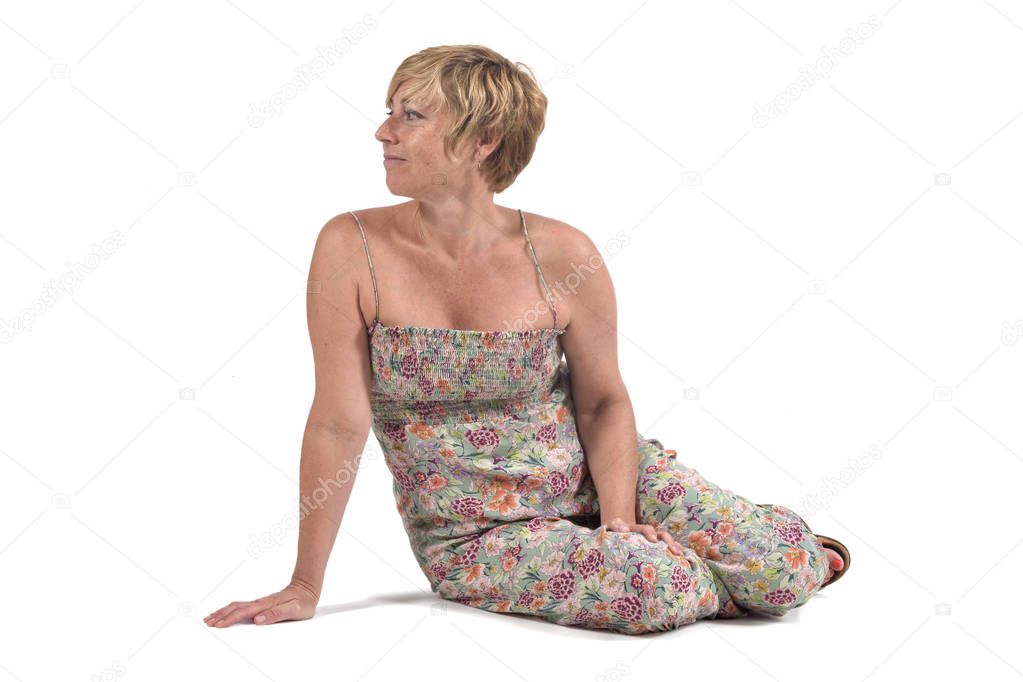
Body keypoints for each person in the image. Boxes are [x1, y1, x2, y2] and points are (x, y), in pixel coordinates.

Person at [204, 44, 849, 635]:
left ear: (482, 140)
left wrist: (620, 519)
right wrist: (304, 583)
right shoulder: (351, 245)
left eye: (412, 115)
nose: (383, 131)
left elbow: (602, 403)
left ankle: (769, 566)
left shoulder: (564, 251)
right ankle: (725, 581)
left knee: (783, 566)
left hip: (603, 479)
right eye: (390, 112)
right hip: (479, 534)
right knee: (657, 587)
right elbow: (338, 422)